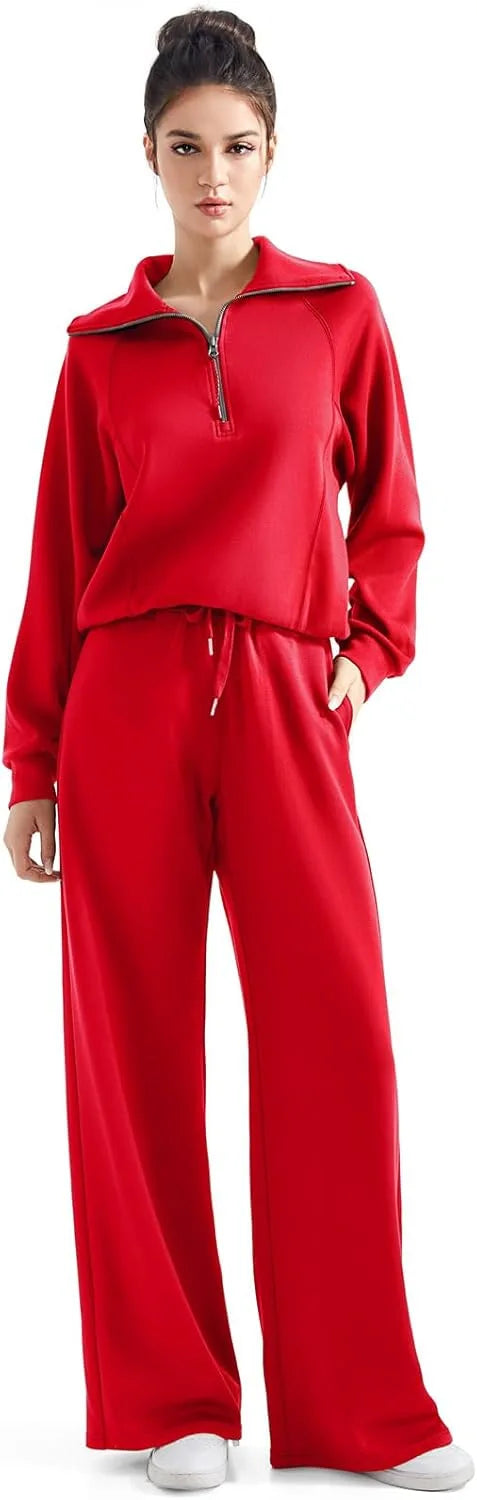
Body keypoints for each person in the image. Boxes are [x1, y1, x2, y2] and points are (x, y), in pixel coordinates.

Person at [2, 7, 473, 1494]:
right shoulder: (97, 350)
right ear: (147, 155)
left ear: (273, 154)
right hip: (128, 699)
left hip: (285, 693)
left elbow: (390, 517)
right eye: (188, 146)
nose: (215, 173)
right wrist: (32, 765)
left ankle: (359, 1408)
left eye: (240, 147)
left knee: (337, 1035)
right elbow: (59, 563)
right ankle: (169, 1399)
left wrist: (363, 657)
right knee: (131, 1047)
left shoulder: (339, 311)